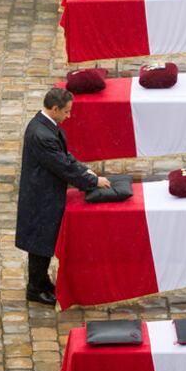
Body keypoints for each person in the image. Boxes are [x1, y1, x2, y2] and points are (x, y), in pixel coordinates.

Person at [15, 87, 110, 305]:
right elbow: (62, 166)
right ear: (55, 108)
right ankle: (35, 288)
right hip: (41, 196)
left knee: (43, 242)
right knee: (40, 243)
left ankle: (41, 282)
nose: (69, 116)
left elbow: (65, 157)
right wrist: (93, 181)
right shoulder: (42, 135)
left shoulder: (47, 126)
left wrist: (84, 170)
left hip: (44, 192)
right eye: (66, 112)